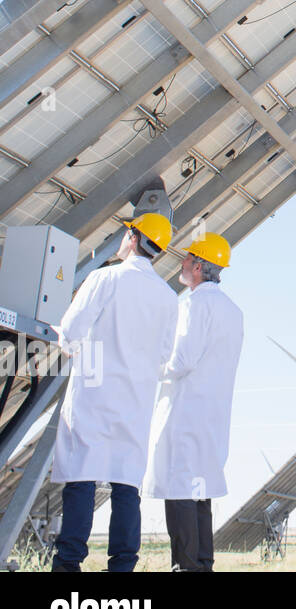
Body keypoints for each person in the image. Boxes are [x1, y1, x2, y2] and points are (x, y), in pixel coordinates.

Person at [51, 213, 178, 573]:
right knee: (126, 486)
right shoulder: (168, 298)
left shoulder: (104, 278)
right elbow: (165, 355)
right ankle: (122, 567)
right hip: (135, 402)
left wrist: (67, 338)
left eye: (126, 233)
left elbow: (72, 333)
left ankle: (68, 564)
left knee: (81, 477)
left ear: (134, 238)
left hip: (94, 396)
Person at [144, 232, 243, 572]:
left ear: (198, 266)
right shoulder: (233, 310)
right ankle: (202, 564)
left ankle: (184, 567)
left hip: (186, 414)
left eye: (187, 259)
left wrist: (148, 368)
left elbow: (181, 360)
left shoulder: (194, 304)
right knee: (201, 494)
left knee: (180, 491)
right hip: (213, 416)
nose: (182, 263)